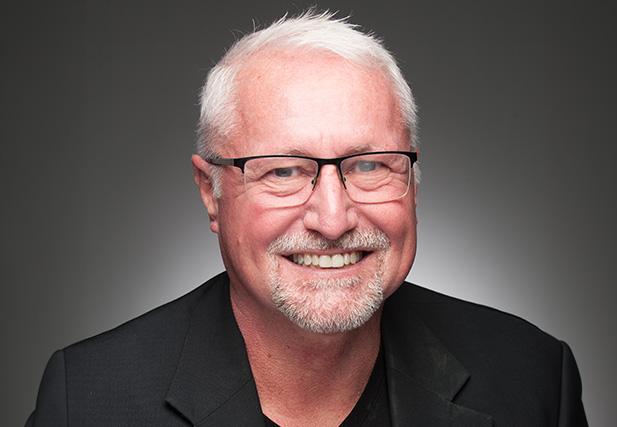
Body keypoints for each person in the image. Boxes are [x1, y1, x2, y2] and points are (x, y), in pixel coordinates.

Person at [27, 10, 588, 426]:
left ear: (414, 182)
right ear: (210, 192)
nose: (332, 216)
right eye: (284, 171)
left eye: (368, 165)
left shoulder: (532, 378)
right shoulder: (91, 400)